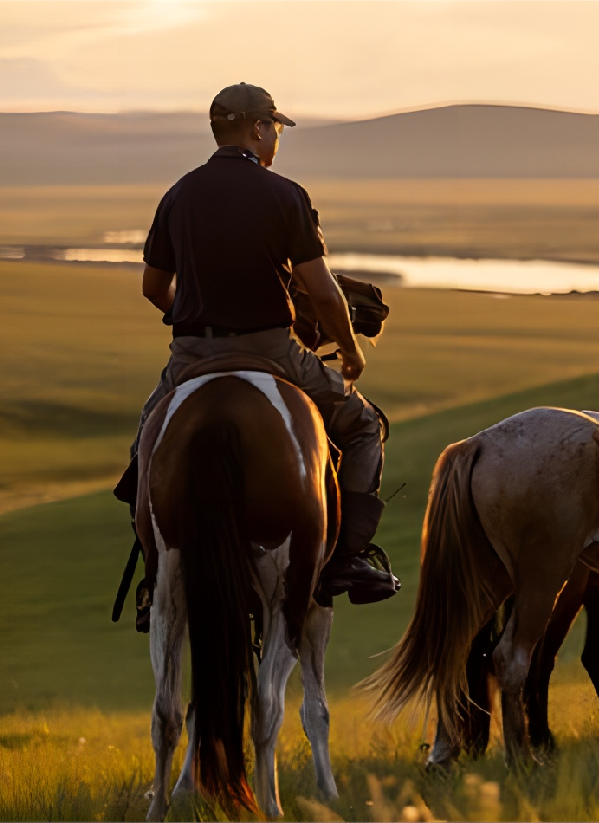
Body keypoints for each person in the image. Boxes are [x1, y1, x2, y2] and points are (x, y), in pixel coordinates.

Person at [114, 82, 396, 627]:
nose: (276, 140)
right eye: (275, 129)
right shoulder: (285, 193)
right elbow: (319, 288)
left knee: (144, 451)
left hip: (191, 355)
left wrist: (192, 316)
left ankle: (157, 578)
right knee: (363, 427)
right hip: (273, 352)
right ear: (259, 128)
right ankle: (348, 561)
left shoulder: (178, 194)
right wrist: (352, 351)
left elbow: (153, 287)